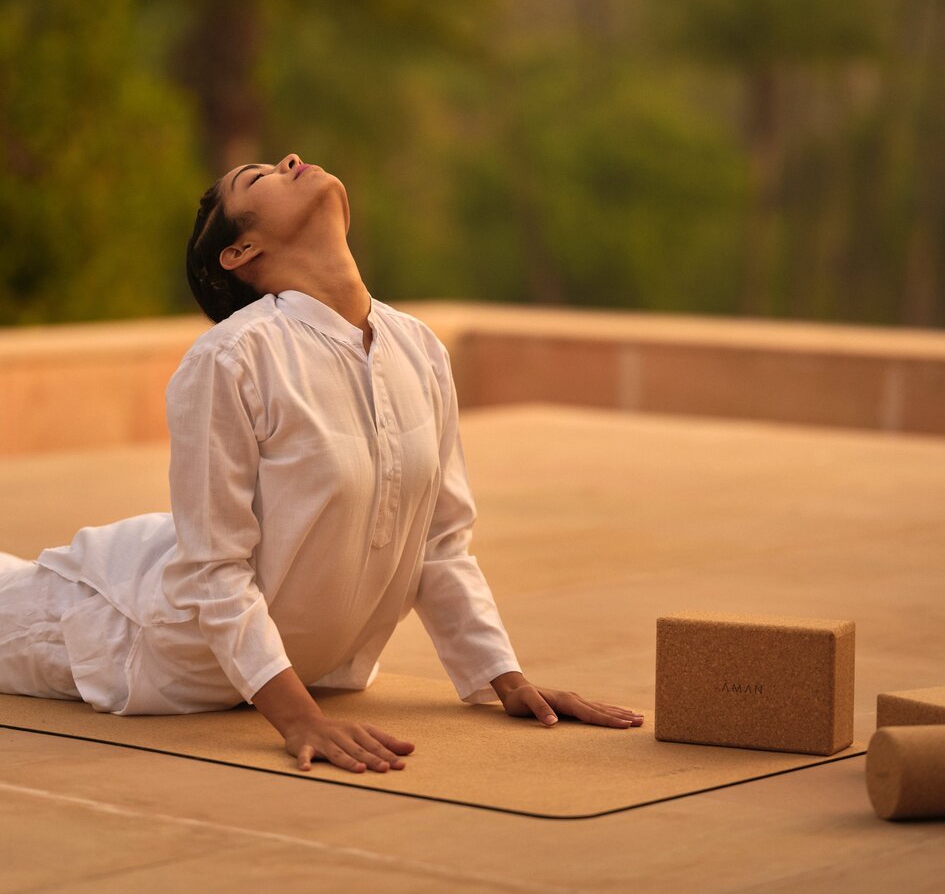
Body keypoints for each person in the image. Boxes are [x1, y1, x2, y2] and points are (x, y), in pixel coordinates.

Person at [0, 153, 644, 774]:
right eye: (256, 179)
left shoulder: (418, 348)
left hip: (289, 660)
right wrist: (298, 719)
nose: (289, 159)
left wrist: (505, 679)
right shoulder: (231, 359)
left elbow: (439, 544)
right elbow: (213, 570)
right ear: (240, 252)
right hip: (129, 633)